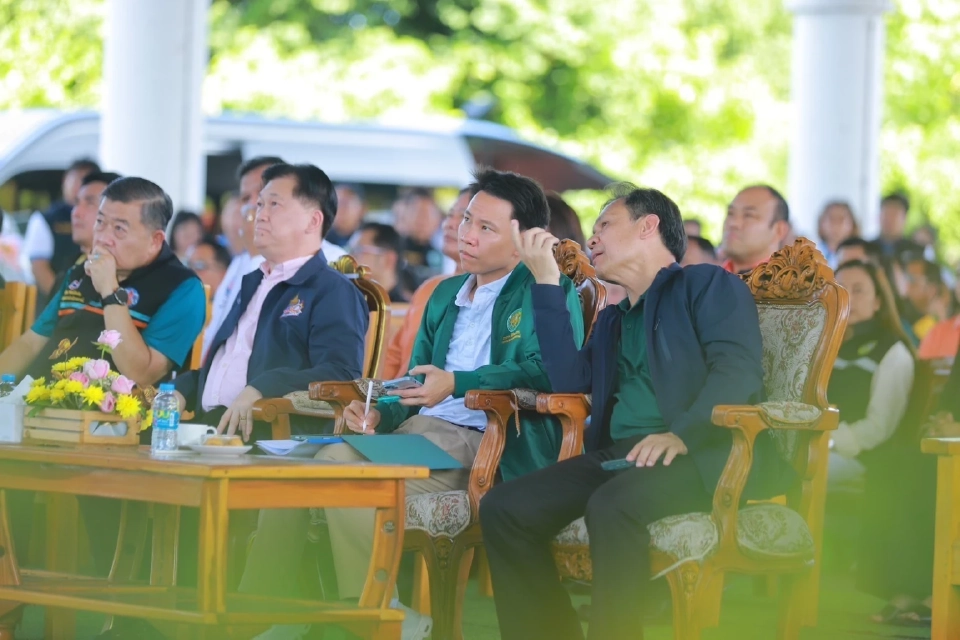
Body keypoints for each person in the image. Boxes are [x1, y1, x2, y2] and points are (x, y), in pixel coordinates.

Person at [241, 168, 585, 640]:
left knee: (339, 464)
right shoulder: (445, 293)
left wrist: (458, 383)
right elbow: (413, 379)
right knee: (290, 471)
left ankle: (379, 617)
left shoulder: (544, 289)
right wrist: (382, 410)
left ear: (524, 239)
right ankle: (278, 612)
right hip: (420, 436)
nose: (466, 234)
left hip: (484, 440)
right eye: (466, 220)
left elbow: (542, 371)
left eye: (485, 228)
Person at [479, 183, 790, 640]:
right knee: (505, 507)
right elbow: (567, 379)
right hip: (622, 457)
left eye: (605, 224)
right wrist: (546, 282)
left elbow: (737, 371)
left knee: (613, 505)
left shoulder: (705, 284)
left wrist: (682, 433)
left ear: (649, 227)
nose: (592, 238)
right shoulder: (614, 317)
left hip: (701, 454)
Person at [174, 163, 368, 439]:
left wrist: (262, 388)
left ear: (313, 221)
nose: (259, 214)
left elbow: (341, 373)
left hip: (272, 434)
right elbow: (231, 364)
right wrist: (184, 389)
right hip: (211, 427)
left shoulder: (332, 290)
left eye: (274, 205)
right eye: (260, 204)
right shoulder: (254, 281)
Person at [0, 177, 206, 386]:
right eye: (100, 222)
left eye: (119, 229)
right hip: (39, 400)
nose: (102, 238)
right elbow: (31, 344)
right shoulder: (79, 272)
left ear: (155, 241)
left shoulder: (182, 289)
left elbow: (141, 374)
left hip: (111, 413)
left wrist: (110, 291)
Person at [202, 156, 347, 359]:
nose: (256, 210)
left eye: (273, 201)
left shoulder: (333, 264)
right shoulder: (240, 261)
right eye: (248, 199)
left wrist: (256, 256)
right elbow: (217, 335)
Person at [381, 187, 473, 380]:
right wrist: (375, 401)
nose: (449, 224)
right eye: (449, 215)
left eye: (464, 217)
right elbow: (393, 359)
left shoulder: (486, 294)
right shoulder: (430, 288)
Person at [21, 158, 100, 298]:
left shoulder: (103, 216)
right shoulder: (46, 218)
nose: (78, 186)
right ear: (65, 180)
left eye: (84, 181)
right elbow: (39, 267)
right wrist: (62, 300)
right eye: (75, 180)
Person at [720, 184, 790, 274]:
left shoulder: (789, 285)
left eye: (749, 215)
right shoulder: (706, 280)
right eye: (730, 213)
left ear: (779, 231)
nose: (733, 223)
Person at [349, 222, 410, 302]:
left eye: (359, 250)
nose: (351, 257)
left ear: (389, 259)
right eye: (351, 251)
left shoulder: (405, 311)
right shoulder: (351, 303)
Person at [71, 172, 123, 259]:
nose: (76, 213)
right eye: (77, 202)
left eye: (90, 203)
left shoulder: (119, 270)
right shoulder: (75, 264)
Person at [869, 193, 922, 261]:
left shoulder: (916, 252)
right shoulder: (866, 249)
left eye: (894, 215)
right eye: (886, 213)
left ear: (905, 218)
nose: (889, 219)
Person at [904, 257, 945, 340]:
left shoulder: (935, 327)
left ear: (932, 289)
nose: (907, 286)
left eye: (913, 281)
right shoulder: (905, 315)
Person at [817, 200, 859, 269]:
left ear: (852, 224)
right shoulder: (810, 253)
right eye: (831, 218)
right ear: (821, 223)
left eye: (841, 219)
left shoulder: (861, 254)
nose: (836, 224)